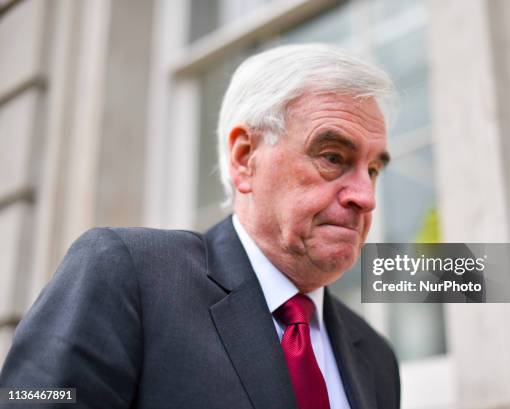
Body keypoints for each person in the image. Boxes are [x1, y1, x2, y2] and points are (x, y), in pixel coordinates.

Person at [0, 44, 400, 409]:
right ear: (245, 158)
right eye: (332, 157)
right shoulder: (127, 273)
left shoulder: (376, 357)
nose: (365, 197)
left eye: (373, 169)